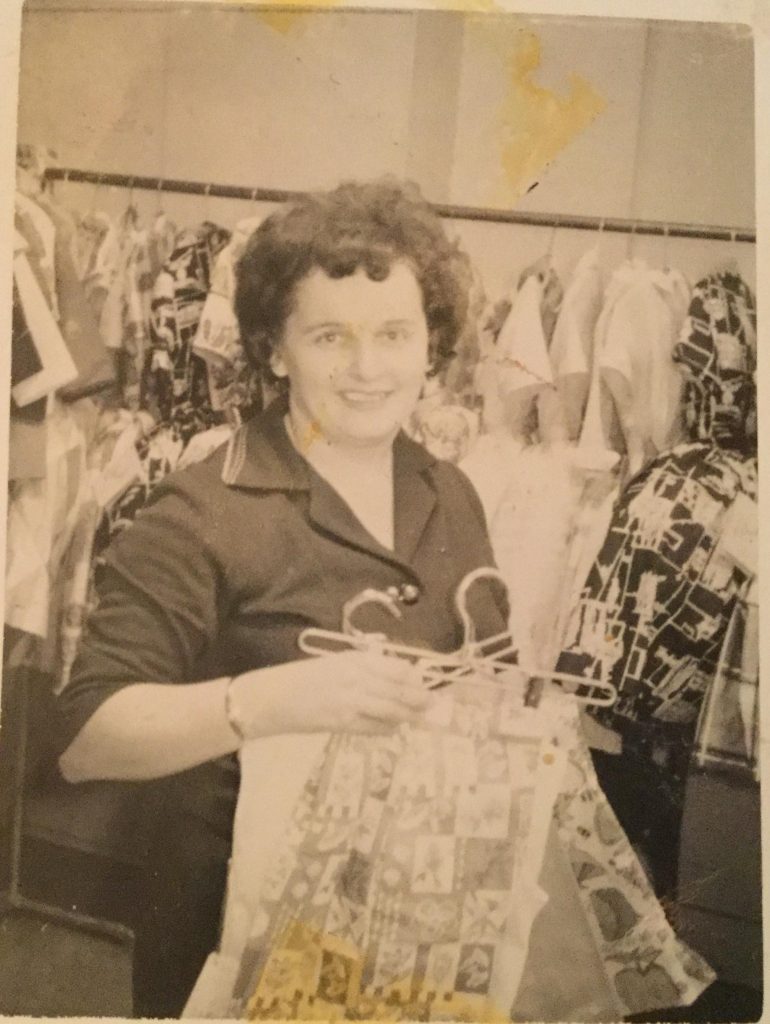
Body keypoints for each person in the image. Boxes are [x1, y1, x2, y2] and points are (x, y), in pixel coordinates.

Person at [56, 180, 509, 1018]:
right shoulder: (200, 511)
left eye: (394, 335)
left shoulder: (453, 493)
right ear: (272, 349)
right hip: (232, 930)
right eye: (330, 336)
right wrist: (262, 700)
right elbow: (85, 740)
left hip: (409, 924)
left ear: (430, 344)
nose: (368, 368)